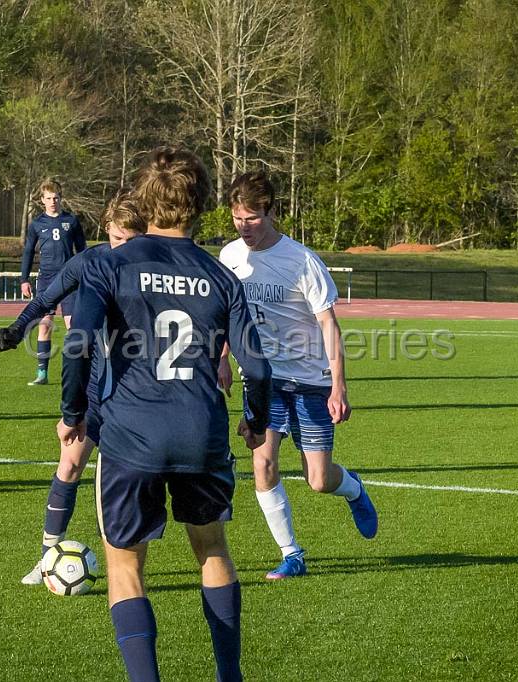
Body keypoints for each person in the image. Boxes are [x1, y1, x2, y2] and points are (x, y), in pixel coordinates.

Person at [61, 146, 271, 682]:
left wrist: (72, 411)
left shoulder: (110, 263)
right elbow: (258, 366)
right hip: (201, 432)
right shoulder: (223, 277)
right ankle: (231, 676)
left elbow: (79, 344)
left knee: (125, 565)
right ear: (199, 203)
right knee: (212, 548)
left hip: (133, 435)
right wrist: (257, 419)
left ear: (144, 199)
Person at [217, 171, 378, 581]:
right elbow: (230, 317)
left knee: (319, 481)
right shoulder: (230, 257)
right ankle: (292, 554)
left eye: (251, 218)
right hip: (263, 381)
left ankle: (354, 489)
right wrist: (221, 358)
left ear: (269, 211)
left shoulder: (302, 261)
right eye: (237, 218)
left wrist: (339, 385)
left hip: (310, 381)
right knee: (263, 465)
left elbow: (328, 324)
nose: (244, 226)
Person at [0, 192, 147, 585]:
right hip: (97, 386)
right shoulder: (90, 262)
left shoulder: (153, 269)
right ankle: (47, 558)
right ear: (106, 233)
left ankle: (132, 563)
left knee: (134, 482)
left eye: (130, 240)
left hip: (140, 392)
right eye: (115, 238)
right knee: (71, 463)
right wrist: (16, 329)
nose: (121, 248)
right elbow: (48, 297)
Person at [20, 179, 88, 386]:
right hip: (46, 279)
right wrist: (24, 279)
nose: (52, 201)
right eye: (48, 198)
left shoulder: (72, 221)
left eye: (56, 198)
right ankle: (42, 373)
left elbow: (82, 250)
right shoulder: (37, 224)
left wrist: (85, 275)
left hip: (70, 278)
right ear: (42, 200)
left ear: (61, 198)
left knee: (73, 326)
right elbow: (29, 252)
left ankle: (79, 373)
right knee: (45, 325)